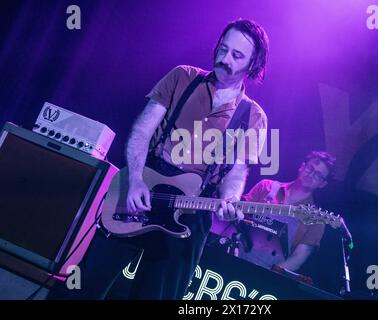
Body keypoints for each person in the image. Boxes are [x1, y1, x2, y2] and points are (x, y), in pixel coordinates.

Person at [47, 19, 269, 300]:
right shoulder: (182, 77)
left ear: (253, 64)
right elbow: (142, 131)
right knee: (82, 287)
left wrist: (230, 200)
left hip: (190, 211)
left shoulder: (253, 116)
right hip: (142, 190)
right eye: (222, 49)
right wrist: (136, 181)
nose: (224, 59)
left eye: (236, 55)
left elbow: (238, 170)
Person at [236, 151, 336, 275]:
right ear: (302, 166)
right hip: (234, 256)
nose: (311, 175)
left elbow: (298, 258)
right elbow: (236, 218)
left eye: (318, 175)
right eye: (310, 168)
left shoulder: (316, 219)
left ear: (322, 184)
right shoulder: (265, 186)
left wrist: (265, 274)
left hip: (266, 272)